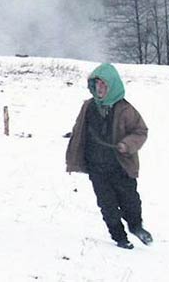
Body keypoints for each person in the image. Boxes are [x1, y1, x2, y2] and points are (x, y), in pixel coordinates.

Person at [66, 62, 153, 249]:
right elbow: (79, 129)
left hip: (121, 166)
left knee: (130, 201)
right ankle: (119, 238)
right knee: (107, 205)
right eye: (97, 85)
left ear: (113, 86)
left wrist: (126, 144)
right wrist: (74, 154)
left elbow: (141, 131)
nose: (100, 89)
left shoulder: (125, 109)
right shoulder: (88, 107)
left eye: (104, 85)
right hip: (96, 167)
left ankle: (136, 227)